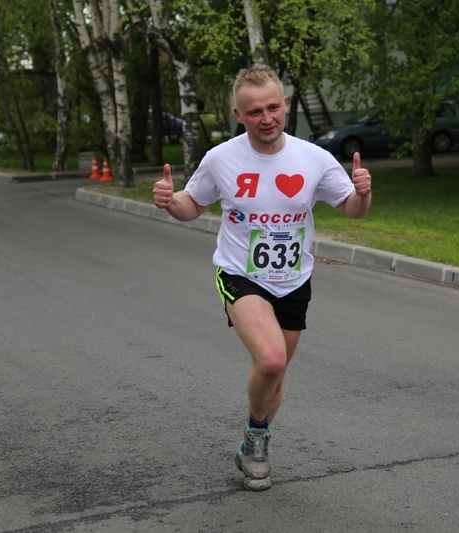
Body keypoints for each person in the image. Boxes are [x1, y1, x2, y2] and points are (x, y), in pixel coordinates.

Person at [152, 64, 372, 491]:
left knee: (278, 372)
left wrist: (363, 193)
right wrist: (168, 200)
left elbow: (351, 209)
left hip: (294, 278)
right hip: (240, 273)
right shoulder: (222, 159)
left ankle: (254, 436)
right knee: (270, 359)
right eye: (255, 112)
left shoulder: (313, 159)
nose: (266, 118)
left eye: (273, 107)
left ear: (285, 105)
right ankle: (256, 438)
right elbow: (191, 204)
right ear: (239, 113)